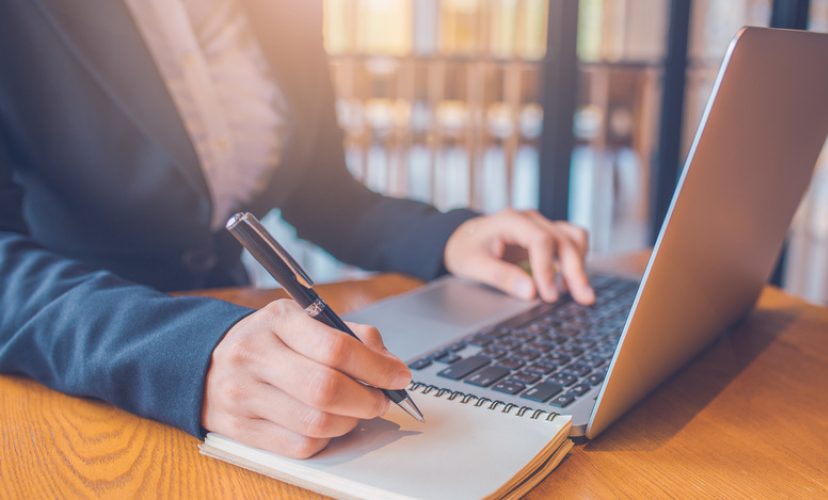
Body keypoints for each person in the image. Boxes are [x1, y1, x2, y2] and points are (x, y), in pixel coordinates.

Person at [0, 1, 595, 458]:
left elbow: (325, 196)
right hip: (74, 367)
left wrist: (451, 238)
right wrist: (190, 352)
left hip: (250, 356)